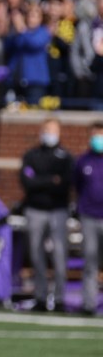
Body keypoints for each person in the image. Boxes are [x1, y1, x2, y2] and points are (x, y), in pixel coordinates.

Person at [19, 118, 73, 312]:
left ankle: (59, 299)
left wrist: (40, 181)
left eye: (53, 130)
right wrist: (52, 180)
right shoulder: (32, 155)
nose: (49, 133)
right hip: (35, 209)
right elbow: (27, 182)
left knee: (59, 256)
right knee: (36, 254)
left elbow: (66, 183)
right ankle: (40, 297)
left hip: (58, 210)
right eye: (47, 130)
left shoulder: (65, 157)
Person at [74, 122, 103, 315]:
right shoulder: (83, 161)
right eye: (95, 135)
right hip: (89, 216)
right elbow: (77, 185)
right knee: (90, 261)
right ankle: (89, 304)